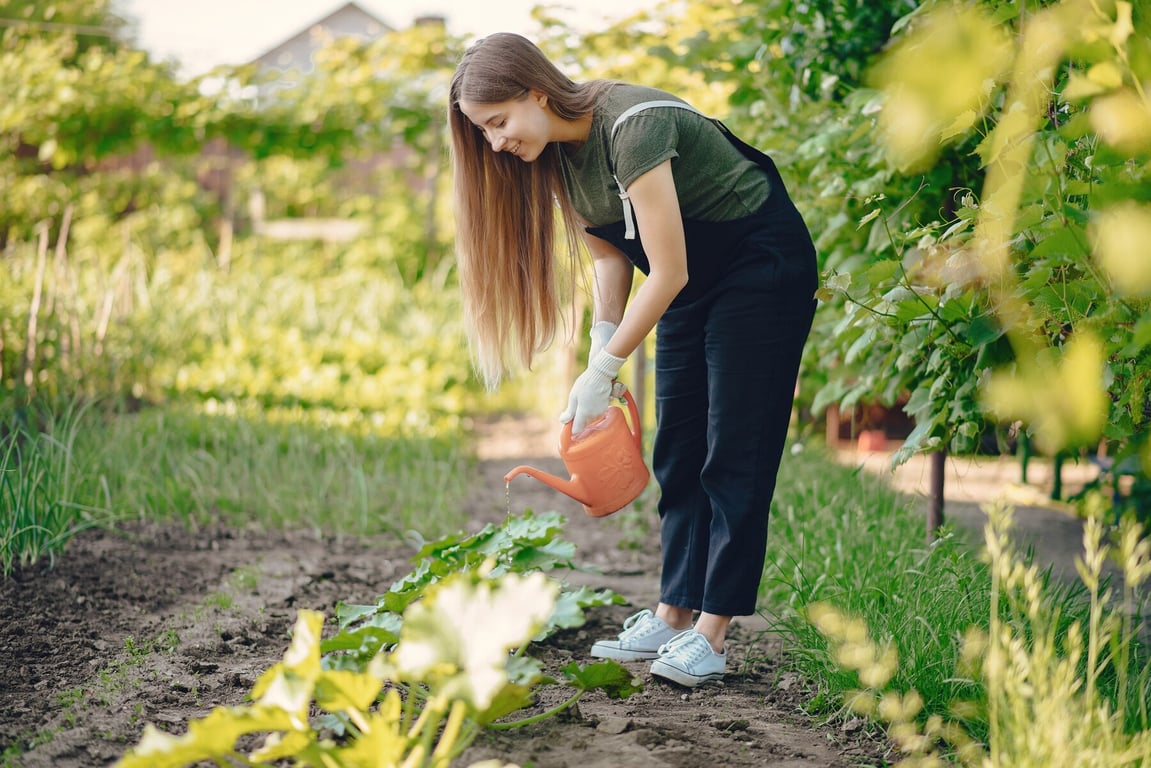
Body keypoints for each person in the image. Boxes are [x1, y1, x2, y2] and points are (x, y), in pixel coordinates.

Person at [449, 33, 818, 688]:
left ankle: (712, 631)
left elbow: (667, 267)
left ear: (535, 91)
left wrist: (605, 369)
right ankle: (673, 612)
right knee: (677, 447)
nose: (497, 142)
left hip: (759, 265)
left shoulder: (633, 127)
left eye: (499, 122)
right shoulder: (552, 158)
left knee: (732, 449)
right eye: (485, 132)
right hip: (687, 280)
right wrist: (601, 344)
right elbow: (608, 254)